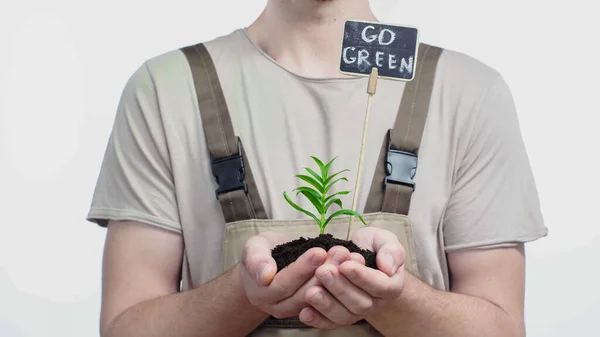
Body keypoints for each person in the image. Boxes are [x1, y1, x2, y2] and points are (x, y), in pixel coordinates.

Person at [86, 0, 547, 336]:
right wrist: (242, 293)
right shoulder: (166, 89)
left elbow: (502, 327)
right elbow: (126, 325)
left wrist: (397, 298)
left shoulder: (467, 92)